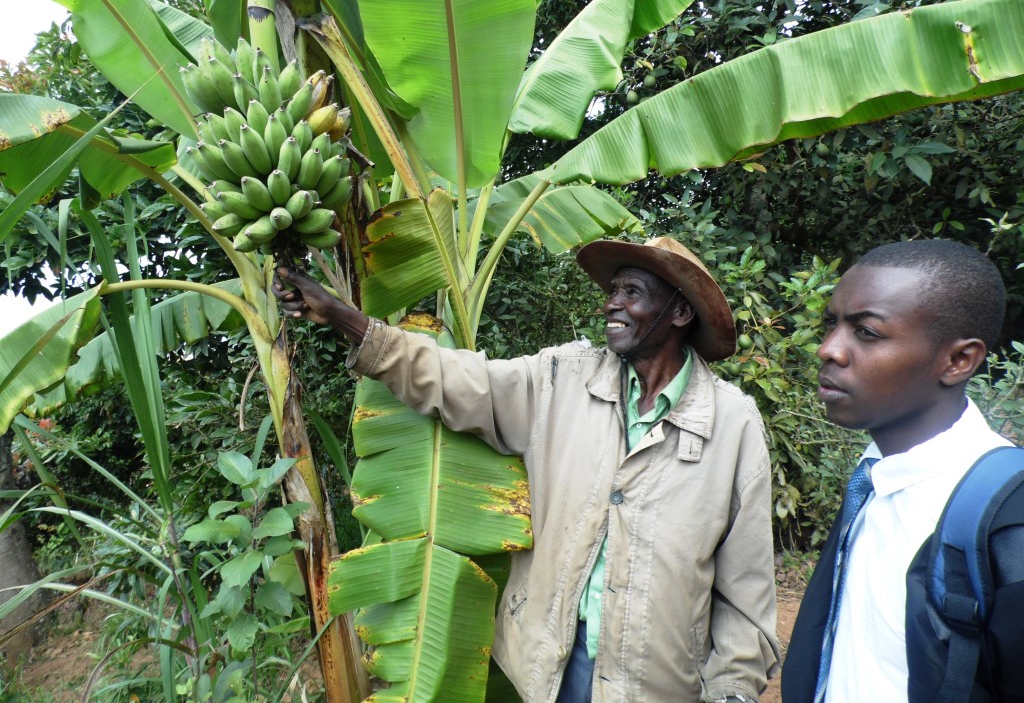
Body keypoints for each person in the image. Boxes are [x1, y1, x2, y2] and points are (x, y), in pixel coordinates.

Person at [274, 235, 780, 703]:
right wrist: (346, 319)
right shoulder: (563, 379)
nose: (612, 303)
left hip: (656, 683)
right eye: (613, 290)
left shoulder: (732, 425)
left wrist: (733, 688)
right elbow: (459, 381)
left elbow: (745, 591)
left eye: (633, 292)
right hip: (545, 671)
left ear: (680, 311)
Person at [781, 238, 1015, 703]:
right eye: (832, 324)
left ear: (958, 361)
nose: (829, 350)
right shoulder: (874, 476)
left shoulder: (1003, 515)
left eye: (866, 333)